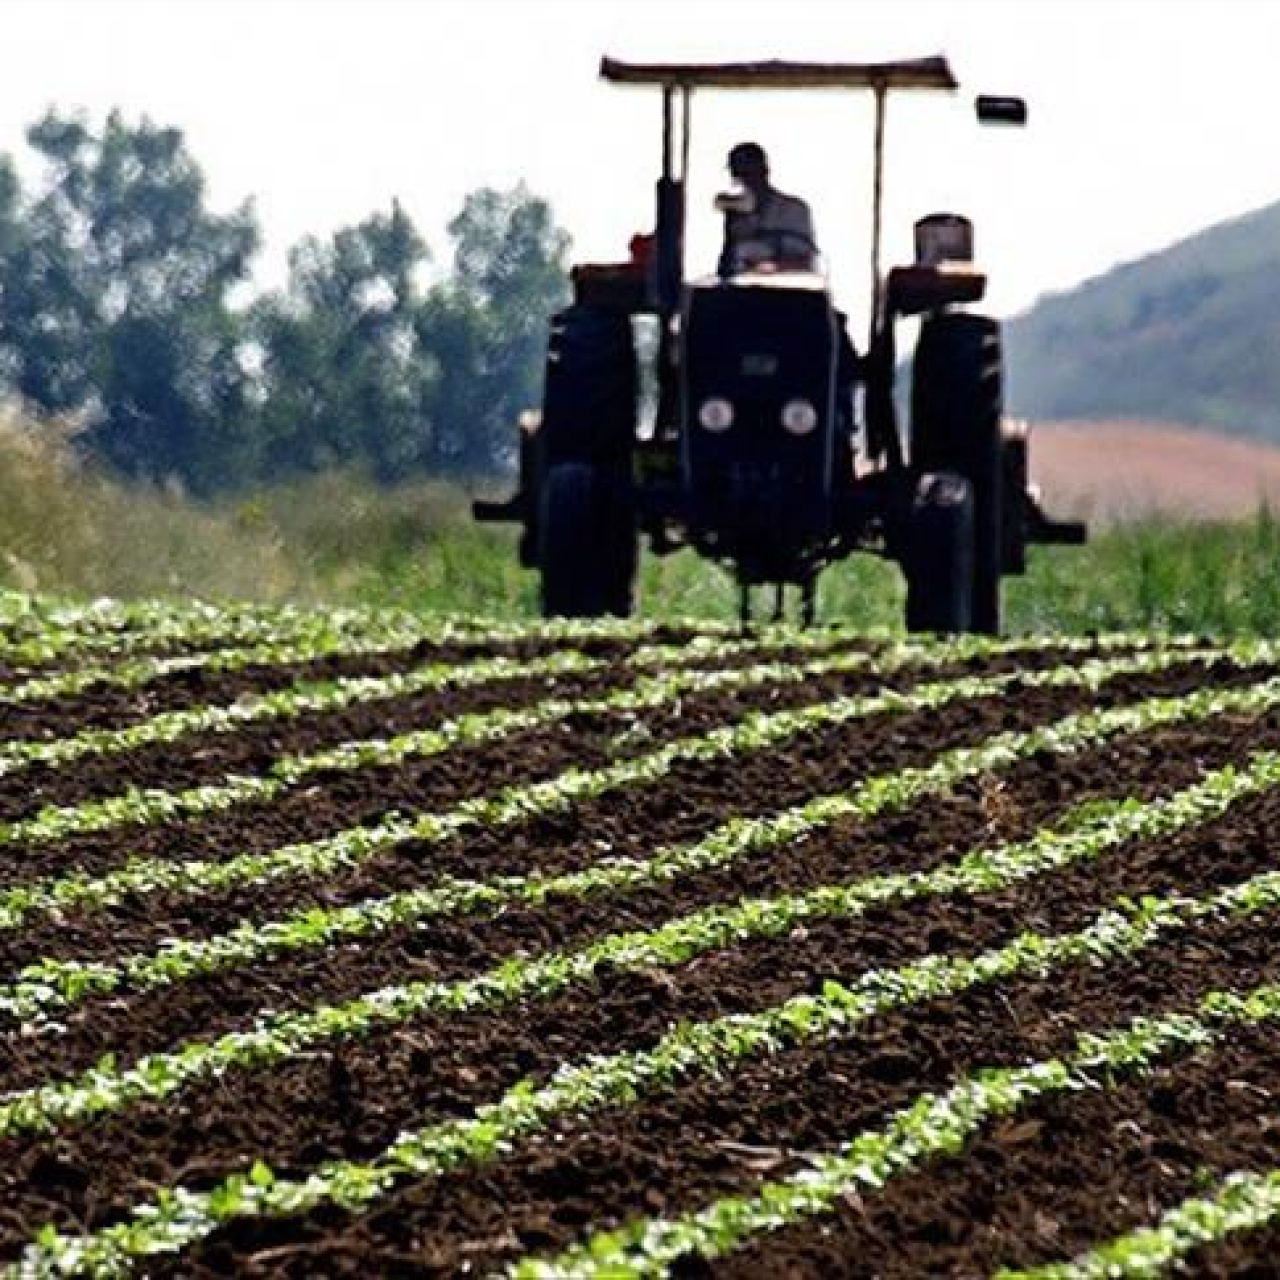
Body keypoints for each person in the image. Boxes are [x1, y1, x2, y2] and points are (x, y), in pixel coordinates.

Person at [717, 141, 818, 276]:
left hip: (788, 290)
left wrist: (770, 266)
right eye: (738, 173)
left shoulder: (794, 209)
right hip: (743, 290)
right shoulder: (736, 212)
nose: (745, 178)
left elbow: (805, 259)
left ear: (764, 170)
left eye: (749, 170)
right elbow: (728, 264)